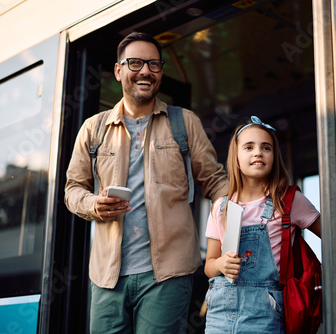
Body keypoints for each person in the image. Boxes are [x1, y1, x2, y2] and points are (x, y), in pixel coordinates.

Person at [64, 31, 228, 334]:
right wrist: (93, 205)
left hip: (167, 276)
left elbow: (216, 182)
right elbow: (73, 190)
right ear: (118, 71)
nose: (145, 71)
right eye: (136, 63)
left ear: (161, 73)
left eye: (154, 65)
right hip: (106, 278)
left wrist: (248, 215)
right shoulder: (93, 129)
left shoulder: (184, 122)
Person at [203, 116, 321, 333]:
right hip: (219, 315)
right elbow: (209, 266)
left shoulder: (289, 201)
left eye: (266, 147)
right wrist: (220, 264)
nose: (258, 152)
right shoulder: (220, 206)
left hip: (265, 313)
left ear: (274, 156)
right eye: (249, 147)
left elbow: (333, 237)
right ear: (235, 157)